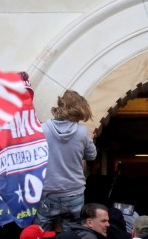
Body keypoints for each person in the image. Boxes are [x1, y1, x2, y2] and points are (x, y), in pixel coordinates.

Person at [38, 90, 98, 230]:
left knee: (40, 233)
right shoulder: (82, 132)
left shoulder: (43, 129)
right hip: (73, 192)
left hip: (48, 191)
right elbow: (92, 155)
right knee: (73, 233)